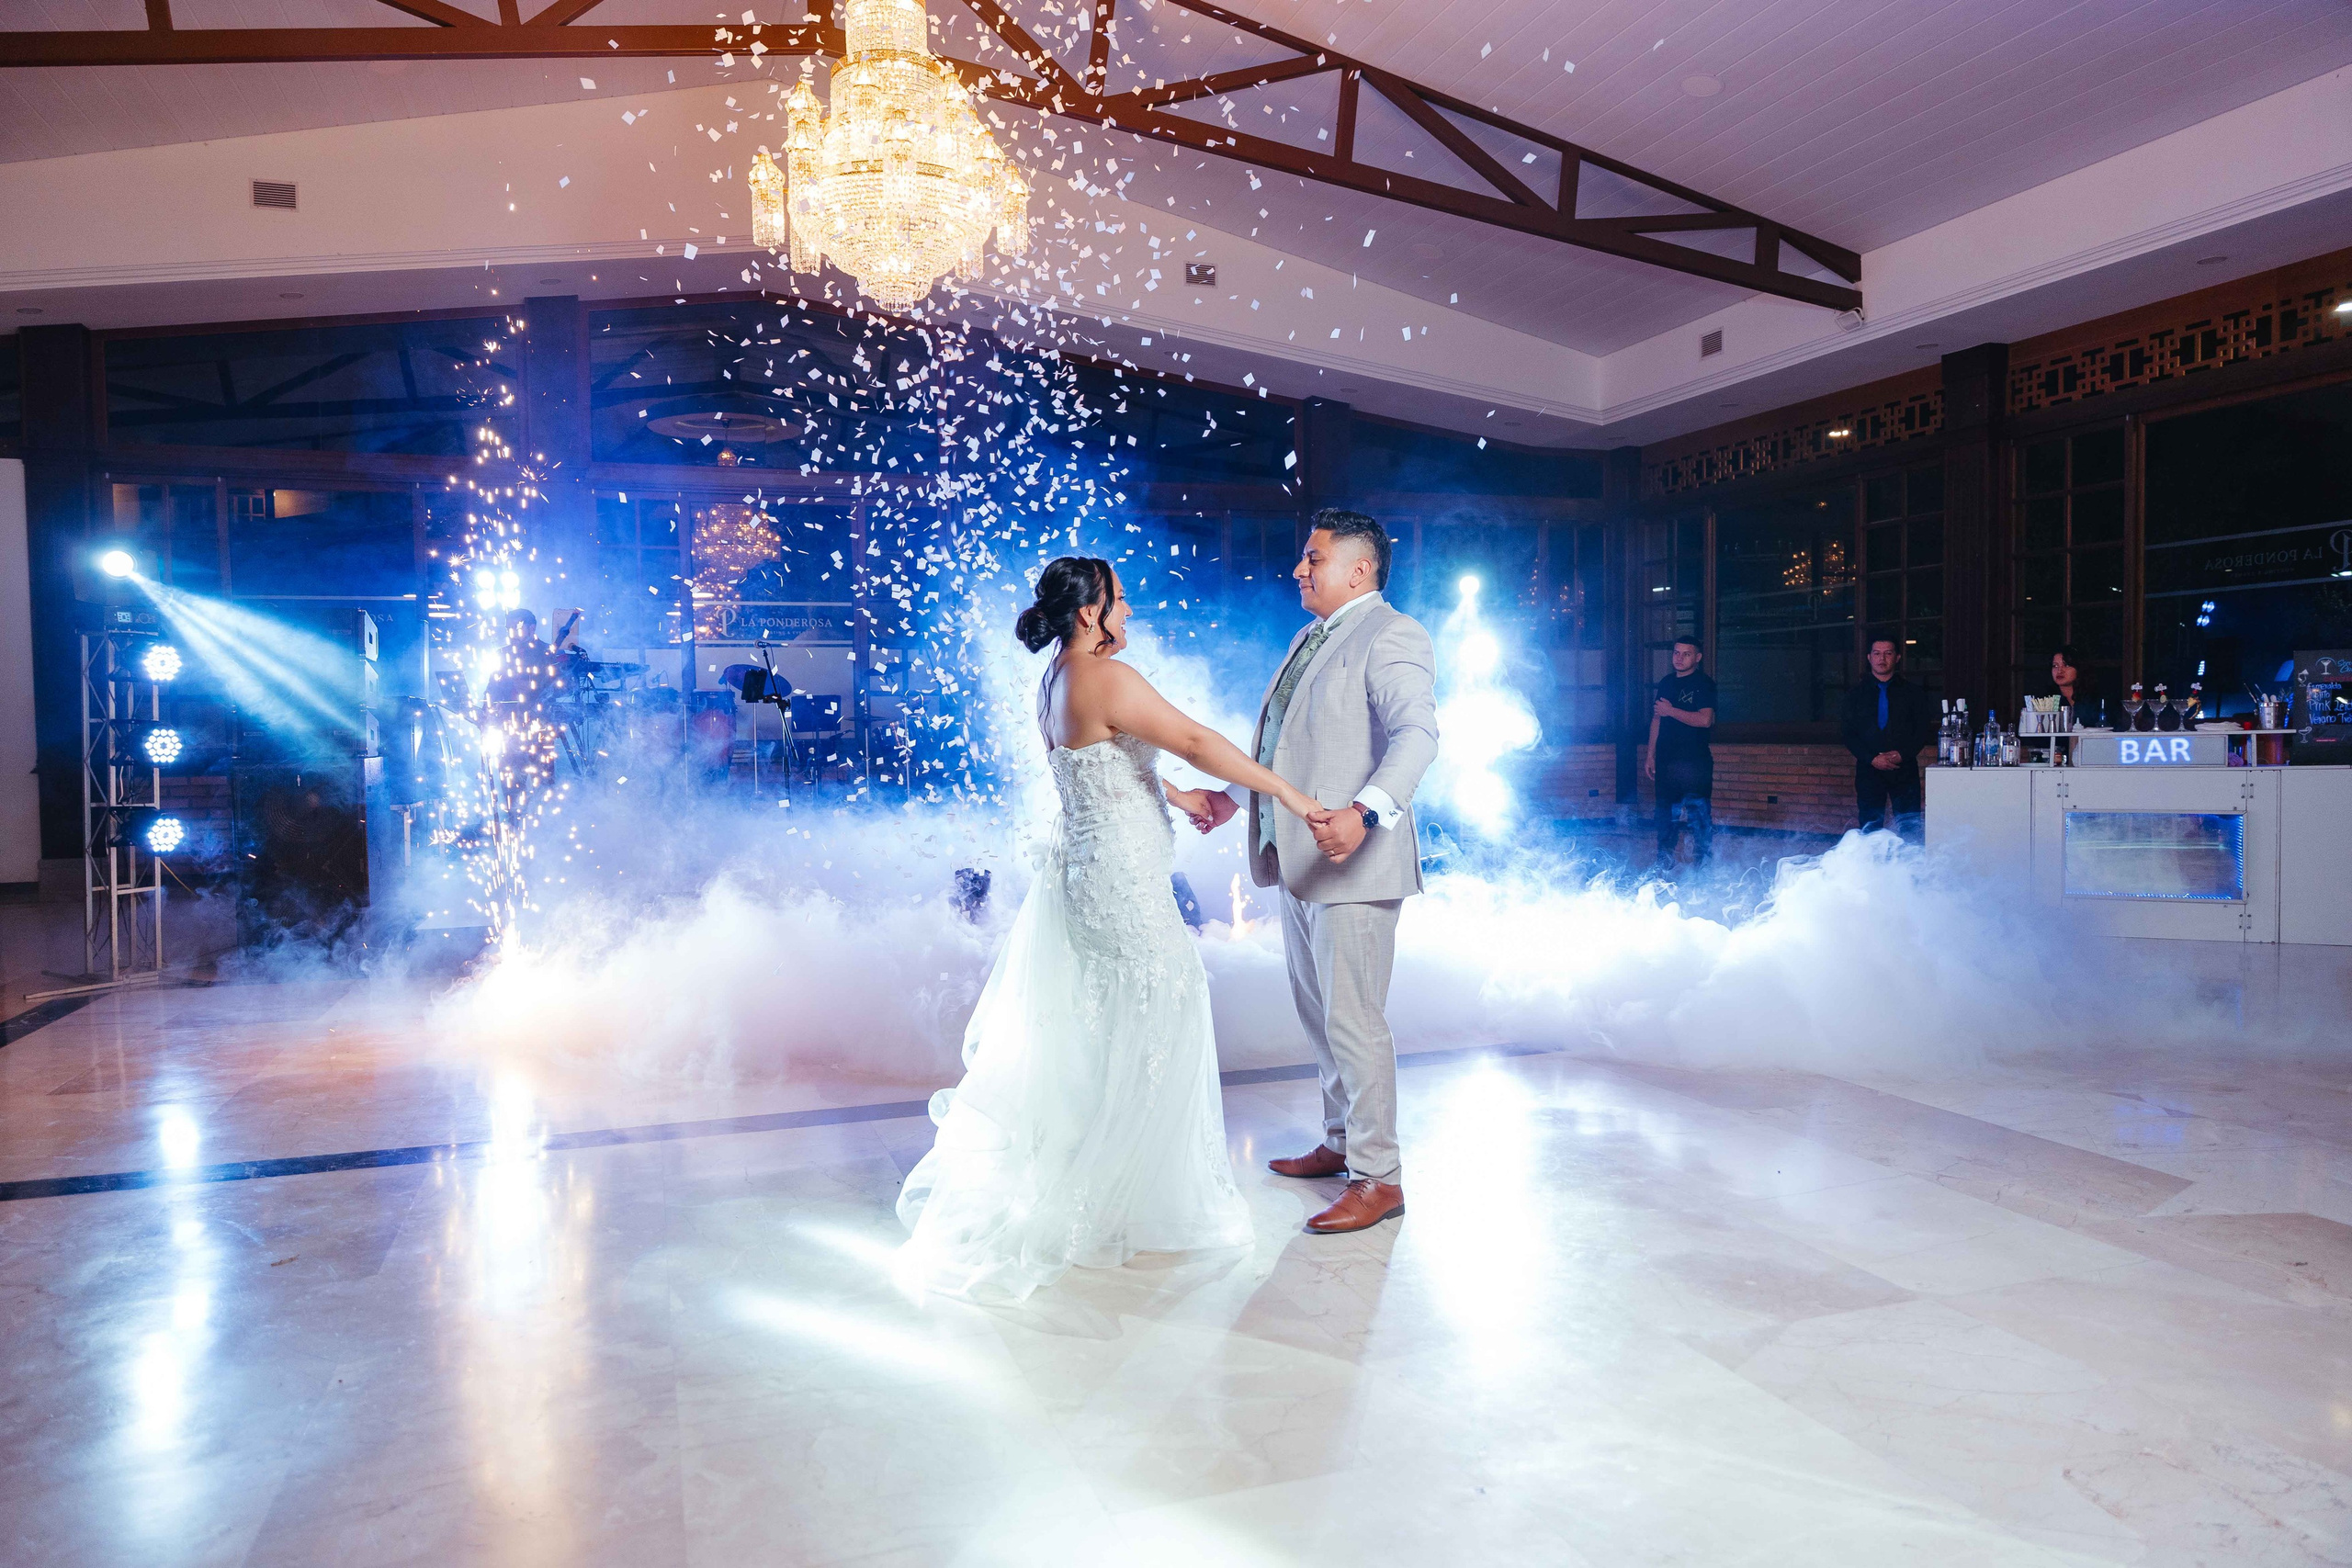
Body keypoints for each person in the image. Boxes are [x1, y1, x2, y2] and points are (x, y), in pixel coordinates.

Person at [896, 556, 1324, 1301]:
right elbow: (1194, 739)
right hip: (1120, 879)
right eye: (1120, 600)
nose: (1128, 611)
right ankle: (1119, 1203)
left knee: (1112, 1022)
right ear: (1090, 611)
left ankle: (1108, 1189)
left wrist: (1180, 796)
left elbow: (1104, 758)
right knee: (1157, 1011)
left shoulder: (1058, 679)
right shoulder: (1107, 676)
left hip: (1090, 871)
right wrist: (1287, 793)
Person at [1201, 509, 1440, 1236]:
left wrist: (1364, 813)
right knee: (1320, 1016)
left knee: (1354, 1020)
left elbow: (1417, 737)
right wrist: (1232, 795)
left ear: (1360, 570)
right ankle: (1340, 1142)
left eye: (1314, 558)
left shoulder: (1393, 633)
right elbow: (1284, 745)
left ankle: (1380, 1177)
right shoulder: (1309, 638)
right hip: (1302, 861)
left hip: (1357, 862)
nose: (1299, 569)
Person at [1840, 636, 1937, 833]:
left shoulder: (1913, 693)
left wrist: (1903, 754)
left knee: (1909, 825)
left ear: (1897, 657)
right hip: (1869, 768)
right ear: (1869, 657)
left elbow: (1922, 730)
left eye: (1888, 653)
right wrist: (1872, 758)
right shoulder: (1855, 695)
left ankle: (1908, 855)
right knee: (1869, 826)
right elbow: (1848, 733)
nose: (1882, 659)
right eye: (1877, 653)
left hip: (1904, 767)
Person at [1641, 637, 1715, 869]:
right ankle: (1664, 864)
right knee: (1664, 818)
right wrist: (1650, 754)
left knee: (1699, 818)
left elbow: (1705, 720)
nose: (1679, 658)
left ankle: (1702, 868)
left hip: (1695, 764)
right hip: (1666, 763)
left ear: (1697, 657)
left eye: (1686, 654)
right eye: (1676, 653)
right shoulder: (1666, 683)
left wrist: (1671, 711)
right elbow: (1657, 719)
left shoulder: (1704, 683)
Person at [2046, 644, 2099, 727]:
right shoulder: (2048, 700)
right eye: (2055, 666)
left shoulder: (2093, 699)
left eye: (2066, 665)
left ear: (2079, 668)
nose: (2059, 671)